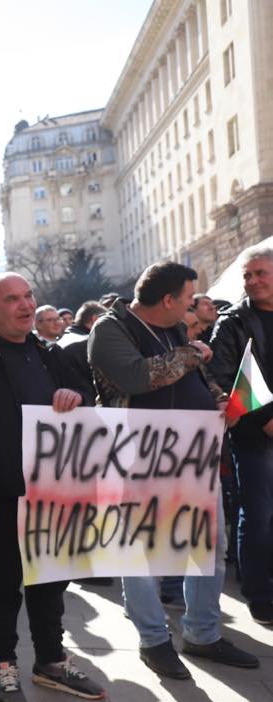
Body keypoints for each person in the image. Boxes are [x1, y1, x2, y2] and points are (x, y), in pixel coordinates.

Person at [90, 261, 258, 678]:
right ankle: (154, 640)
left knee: (209, 545)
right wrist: (192, 351)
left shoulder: (174, 330)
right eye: (186, 300)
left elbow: (199, 379)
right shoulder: (111, 329)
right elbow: (137, 377)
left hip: (193, 454)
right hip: (138, 456)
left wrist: (220, 399)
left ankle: (203, 633)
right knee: (142, 551)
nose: (189, 309)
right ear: (166, 300)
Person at [0, 273, 104, 702]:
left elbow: (88, 398)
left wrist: (75, 395)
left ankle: (51, 660)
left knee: (52, 579)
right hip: (3, 494)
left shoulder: (49, 353)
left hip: (55, 493)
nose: (24, 305)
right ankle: (3, 663)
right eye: (12, 299)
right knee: (2, 583)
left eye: (28, 296)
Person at [208, 246, 273, 626]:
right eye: (248, 276)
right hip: (254, 434)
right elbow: (223, 375)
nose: (253, 281)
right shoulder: (232, 321)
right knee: (259, 513)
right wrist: (263, 418)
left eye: (261, 273)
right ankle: (259, 593)